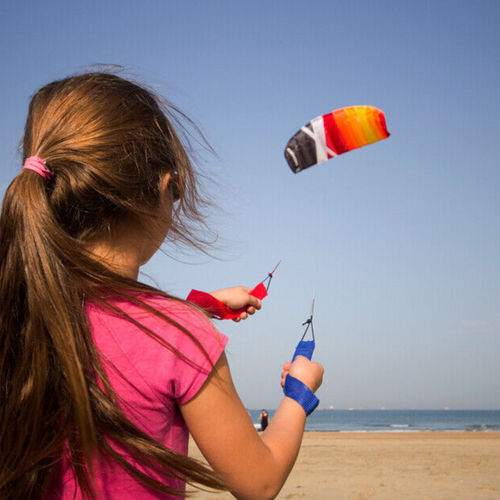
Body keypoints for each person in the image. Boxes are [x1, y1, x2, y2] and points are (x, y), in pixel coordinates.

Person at [0, 71, 324, 500]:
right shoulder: (180, 335)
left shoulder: (16, 308)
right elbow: (259, 481)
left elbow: (112, 327)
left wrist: (199, 305)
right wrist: (299, 393)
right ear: (163, 186)